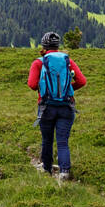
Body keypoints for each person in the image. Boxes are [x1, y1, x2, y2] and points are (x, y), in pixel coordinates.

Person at [28, 31, 86, 181]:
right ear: (57, 46)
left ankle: (47, 168)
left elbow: (32, 85)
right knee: (62, 141)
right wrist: (68, 89)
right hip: (66, 106)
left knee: (47, 139)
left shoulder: (39, 62)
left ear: (44, 46)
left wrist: (44, 89)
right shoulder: (67, 61)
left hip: (46, 106)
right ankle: (64, 172)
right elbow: (82, 81)